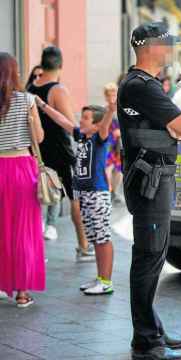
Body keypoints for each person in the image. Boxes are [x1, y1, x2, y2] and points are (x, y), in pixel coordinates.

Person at [118, 22, 181, 360]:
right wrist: (176, 130)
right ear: (149, 46)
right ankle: (147, 340)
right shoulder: (141, 86)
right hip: (150, 182)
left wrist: (175, 130)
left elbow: (179, 129)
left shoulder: (142, 85)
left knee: (155, 254)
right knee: (149, 257)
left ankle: (154, 329)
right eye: (166, 44)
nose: (170, 50)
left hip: (155, 179)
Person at [36, 98, 116, 296]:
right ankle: (100, 278)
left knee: (102, 238)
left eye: (86, 118)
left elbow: (106, 122)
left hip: (98, 194)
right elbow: (62, 121)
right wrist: (43, 106)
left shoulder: (100, 138)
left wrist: (111, 109)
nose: (81, 121)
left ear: (96, 125)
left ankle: (106, 281)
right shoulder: (81, 137)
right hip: (86, 195)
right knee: (95, 238)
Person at [27, 46, 93, 260]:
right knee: (76, 199)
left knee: (35, 202)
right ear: (61, 66)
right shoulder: (57, 90)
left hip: (37, 152)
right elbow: (70, 124)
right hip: (61, 154)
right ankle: (83, 247)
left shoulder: (30, 87)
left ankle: (34, 250)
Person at [0, 52, 46, 308]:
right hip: (21, 168)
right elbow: (38, 137)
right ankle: (22, 292)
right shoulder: (26, 100)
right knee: (24, 231)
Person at [103, 83, 124, 202]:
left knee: (119, 169)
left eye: (113, 94)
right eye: (108, 95)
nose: (111, 97)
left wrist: (121, 132)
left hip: (119, 144)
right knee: (108, 168)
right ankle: (109, 192)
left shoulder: (122, 109)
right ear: (105, 96)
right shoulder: (104, 110)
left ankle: (114, 192)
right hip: (108, 143)